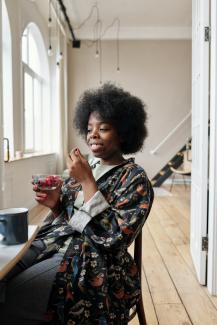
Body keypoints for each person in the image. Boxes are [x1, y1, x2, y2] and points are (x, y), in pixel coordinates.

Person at [0, 83, 154, 325]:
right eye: (90, 128)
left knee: (16, 297)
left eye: (103, 128)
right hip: (55, 242)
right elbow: (75, 217)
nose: (93, 134)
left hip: (95, 261)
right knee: (3, 274)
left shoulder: (135, 177)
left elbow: (115, 238)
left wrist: (86, 181)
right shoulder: (88, 167)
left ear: (124, 133)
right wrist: (56, 205)